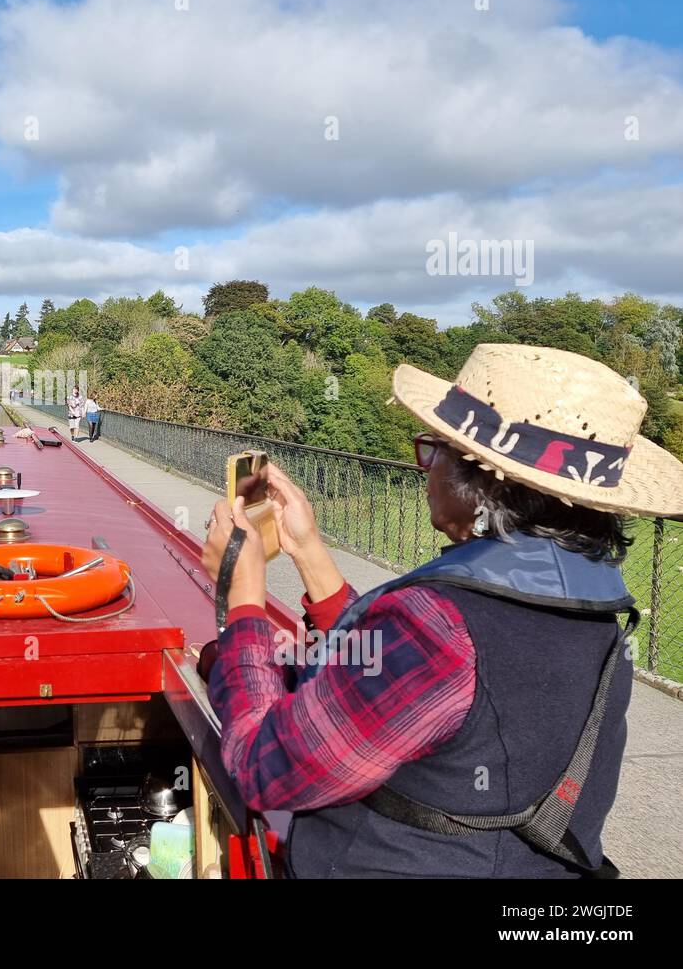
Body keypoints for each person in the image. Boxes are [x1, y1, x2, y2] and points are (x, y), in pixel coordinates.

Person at [199, 344, 683, 878]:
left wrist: (242, 596)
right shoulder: (589, 607)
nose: (426, 468)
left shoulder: (440, 626)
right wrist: (309, 552)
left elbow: (268, 767)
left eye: (435, 450)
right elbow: (405, 680)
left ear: (478, 483)